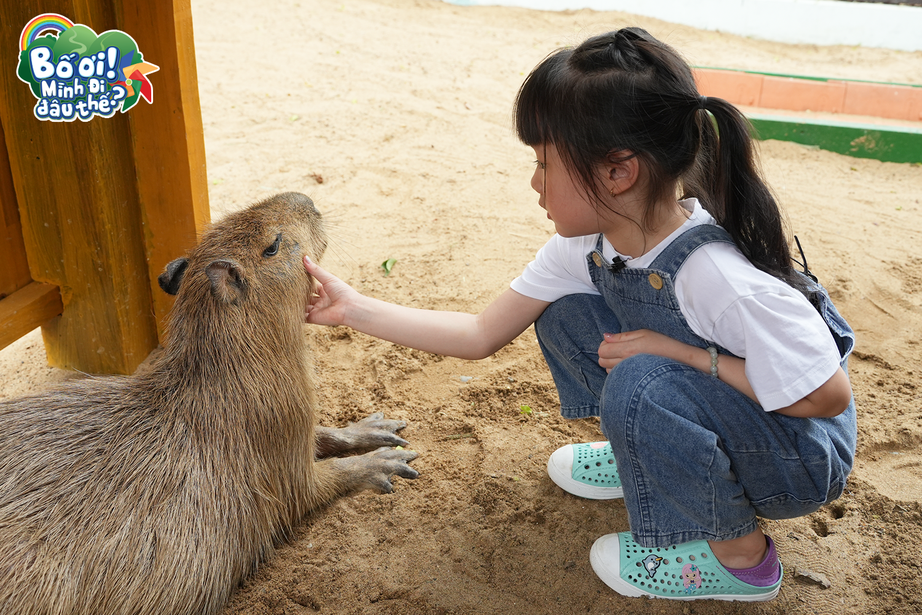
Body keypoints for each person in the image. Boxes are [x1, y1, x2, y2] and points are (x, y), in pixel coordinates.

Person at [302, 27, 856, 602]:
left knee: (643, 379)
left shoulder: (717, 276)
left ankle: (740, 559)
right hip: (731, 408)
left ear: (619, 171)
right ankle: (649, 460)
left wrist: (682, 355)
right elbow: (478, 333)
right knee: (566, 314)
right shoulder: (590, 242)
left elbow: (825, 397)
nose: (534, 182)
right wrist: (351, 308)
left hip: (795, 454)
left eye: (545, 163)